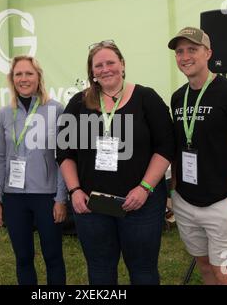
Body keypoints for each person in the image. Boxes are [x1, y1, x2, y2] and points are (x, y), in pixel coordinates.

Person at [56, 40, 175, 285]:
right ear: (92, 72)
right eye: (98, 65)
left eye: (110, 62)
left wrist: (145, 188)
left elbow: (166, 147)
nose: (105, 68)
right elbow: (64, 152)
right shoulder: (78, 104)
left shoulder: (146, 98)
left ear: (122, 64)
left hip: (140, 205)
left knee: (143, 271)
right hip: (92, 206)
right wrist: (75, 191)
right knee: (100, 271)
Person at [167, 27, 227, 285]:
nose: (185, 56)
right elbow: (177, 149)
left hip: (223, 204)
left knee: (225, 273)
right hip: (186, 201)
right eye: (179, 51)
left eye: (192, 50)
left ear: (208, 53)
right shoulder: (178, 98)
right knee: (205, 267)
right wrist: (174, 192)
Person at [0, 55, 67, 285]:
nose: (23, 79)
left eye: (29, 73)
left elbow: (63, 158)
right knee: (23, 257)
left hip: (47, 196)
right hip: (14, 197)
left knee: (53, 256)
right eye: (18, 74)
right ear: (12, 79)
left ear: (39, 77)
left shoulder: (56, 110)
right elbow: (0, 157)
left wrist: (61, 198)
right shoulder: (5, 113)